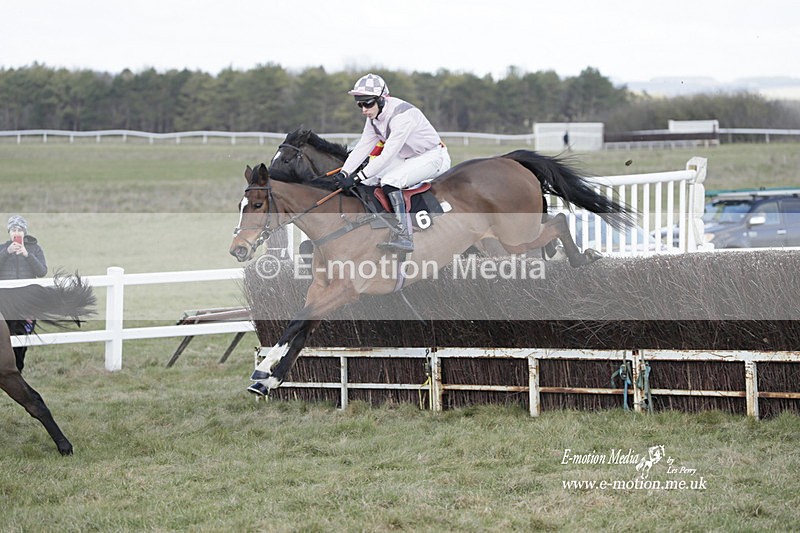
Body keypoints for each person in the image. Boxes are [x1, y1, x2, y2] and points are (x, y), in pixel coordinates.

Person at [333, 73, 451, 253]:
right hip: (408, 155)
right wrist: (345, 172)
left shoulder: (401, 116)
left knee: (390, 181)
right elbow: (362, 147)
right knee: (369, 181)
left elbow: (387, 155)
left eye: (367, 103)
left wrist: (357, 177)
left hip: (433, 156)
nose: (363, 109)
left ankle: (404, 236)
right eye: (359, 104)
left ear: (381, 100)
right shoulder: (373, 119)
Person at [0, 215, 48, 372]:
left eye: (20, 229)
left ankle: (17, 370)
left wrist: (27, 255)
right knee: (4, 338)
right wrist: (6, 252)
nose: (16, 232)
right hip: (5, 303)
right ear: (9, 232)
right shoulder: (2, 248)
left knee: (22, 338)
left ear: (24, 232)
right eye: (13, 229)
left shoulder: (35, 249)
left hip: (27, 304)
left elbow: (42, 271)